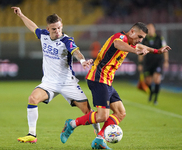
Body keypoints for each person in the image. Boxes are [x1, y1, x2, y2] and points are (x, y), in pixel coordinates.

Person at [60, 22, 171, 149]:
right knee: (102, 116)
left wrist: (156, 51)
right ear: (132, 32)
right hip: (98, 78)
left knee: (120, 113)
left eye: (142, 38)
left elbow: (139, 46)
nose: (140, 40)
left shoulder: (130, 42)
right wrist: (135, 51)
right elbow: (118, 44)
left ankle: (99, 140)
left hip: (107, 81)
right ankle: (71, 124)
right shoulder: (120, 37)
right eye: (139, 36)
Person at [11, 7, 100, 143]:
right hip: (49, 83)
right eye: (54, 29)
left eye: (59, 28)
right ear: (48, 29)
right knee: (33, 98)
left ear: (61, 26)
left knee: (89, 113)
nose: (57, 31)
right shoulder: (43, 35)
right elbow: (33, 27)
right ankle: (32, 135)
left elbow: (76, 52)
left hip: (67, 83)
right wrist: (21, 15)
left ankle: (99, 135)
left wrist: (82, 61)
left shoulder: (66, 41)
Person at [137, 23, 169, 105]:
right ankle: (151, 92)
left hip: (158, 62)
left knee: (157, 79)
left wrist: (166, 61)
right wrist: (140, 63)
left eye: (150, 28)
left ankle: (155, 99)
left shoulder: (160, 38)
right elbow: (140, 51)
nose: (149, 30)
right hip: (147, 62)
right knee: (148, 81)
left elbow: (165, 50)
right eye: (148, 28)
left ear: (154, 29)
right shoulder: (144, 39)